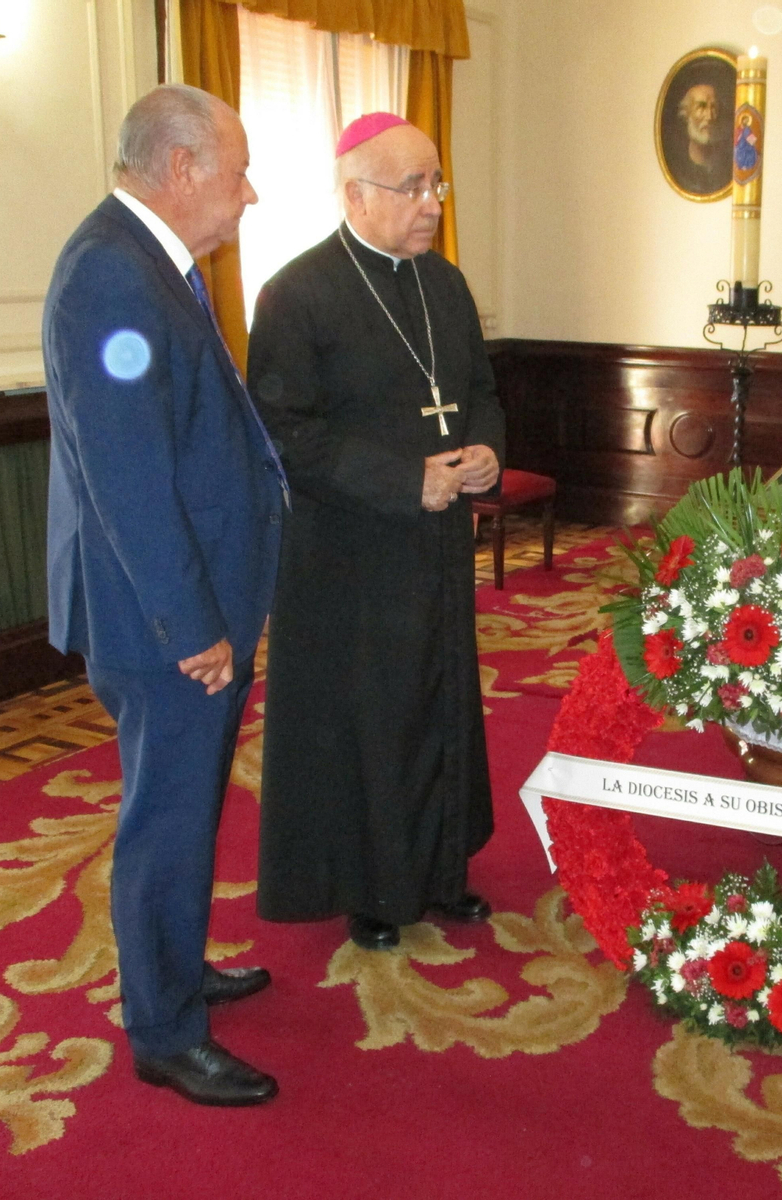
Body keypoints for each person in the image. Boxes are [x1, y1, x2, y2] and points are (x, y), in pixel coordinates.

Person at [43, 83, 286, 1106]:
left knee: (184, 810)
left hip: (188, 607)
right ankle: (162, 1029)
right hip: (163, 623)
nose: (249, 193)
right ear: (181, 167)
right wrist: (192, 625)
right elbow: (127, 474)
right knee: (167, 817)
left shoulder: (143, 262)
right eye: (235, 171)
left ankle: (175, 974)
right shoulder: (111, 275)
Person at [247, 113, 504, 952]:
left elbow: (479, 389)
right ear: (356, 194)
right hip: (351, 553)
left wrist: (484, 452)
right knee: (372, 716)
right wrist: (406, 481)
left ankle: (440, 869)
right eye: (414, 187)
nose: (432, 203)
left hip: (434, 549)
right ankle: (370, 885)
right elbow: (286, 430)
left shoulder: (446, 285)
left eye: (437, 183)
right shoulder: (297, 293)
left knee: (439, 697)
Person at [665, 81, 730, 196]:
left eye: (713, 107)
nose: (709, 116)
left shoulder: (727, 167)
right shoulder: (678, 168)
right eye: (701, 107)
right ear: (686, 113)